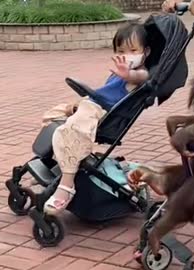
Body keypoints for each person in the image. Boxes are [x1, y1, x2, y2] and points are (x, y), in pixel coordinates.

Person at [42, 22, 151, 215]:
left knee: (70, 130)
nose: (127, 54)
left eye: (133, 50)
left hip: (102, 112)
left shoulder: (140, 74)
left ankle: (66, 186)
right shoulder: (118, 72)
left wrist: (129, 74)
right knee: (52, 116)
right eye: (121, 50)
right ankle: (56, 163)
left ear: (146, 52)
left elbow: (141, 77)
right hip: (90, 103)